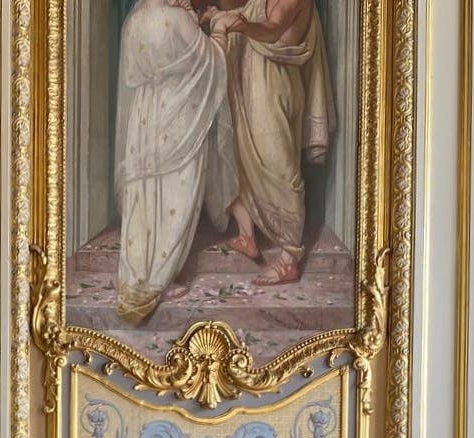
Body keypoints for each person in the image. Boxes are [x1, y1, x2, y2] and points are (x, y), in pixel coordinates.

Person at [113, 0, 237, 323]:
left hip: (144, 116)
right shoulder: (177, 19)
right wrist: (220, 31)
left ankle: (136, 275)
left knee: (145, 193)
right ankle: (160, 277)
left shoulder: (136, 19)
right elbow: (211, 63)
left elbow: (131, 73)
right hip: (178, 113)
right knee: (176, 192)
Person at [200, 0, 334, 286]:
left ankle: (289, 259)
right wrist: (221, 16)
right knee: (240, 156)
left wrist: (239, 25)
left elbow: (272, 30)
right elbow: (247, 15)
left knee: (280, 168)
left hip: (275, 88)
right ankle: (247, 234)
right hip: (252, 85)